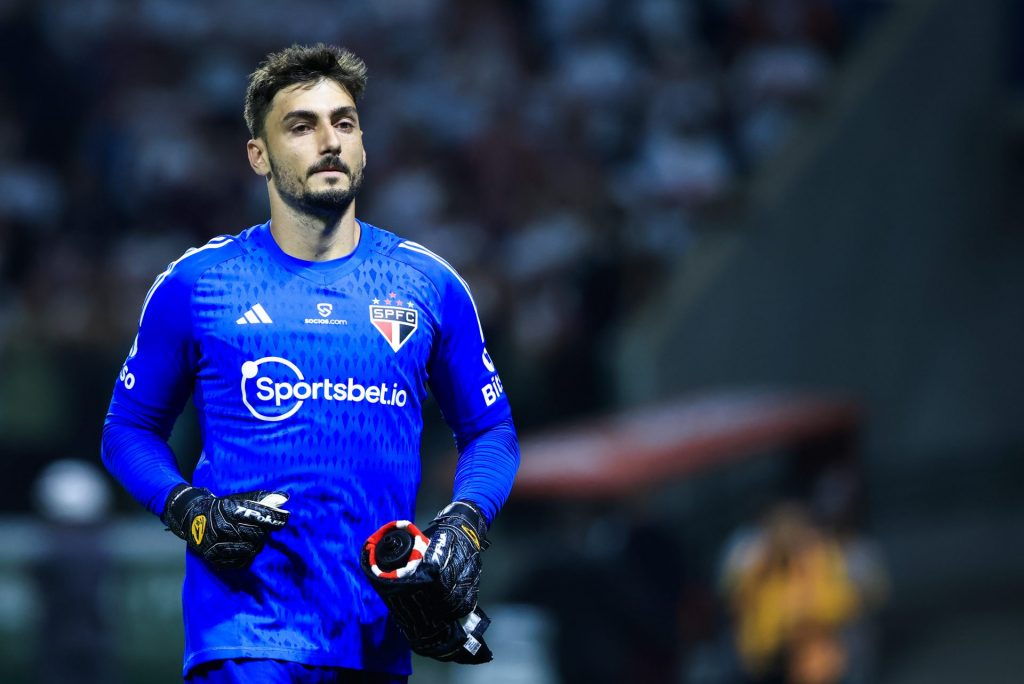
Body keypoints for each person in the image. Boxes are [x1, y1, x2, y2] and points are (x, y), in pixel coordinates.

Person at [101, 43, 520, 684]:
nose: (329, 140)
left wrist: (465, 525)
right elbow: (126, 430)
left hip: (375, 640)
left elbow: (490, 431)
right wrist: (190, 510)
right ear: (258, 156)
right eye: (302, 125)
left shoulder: (428, 284)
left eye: (344, 122)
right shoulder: (198, 283)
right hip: (245, 636)